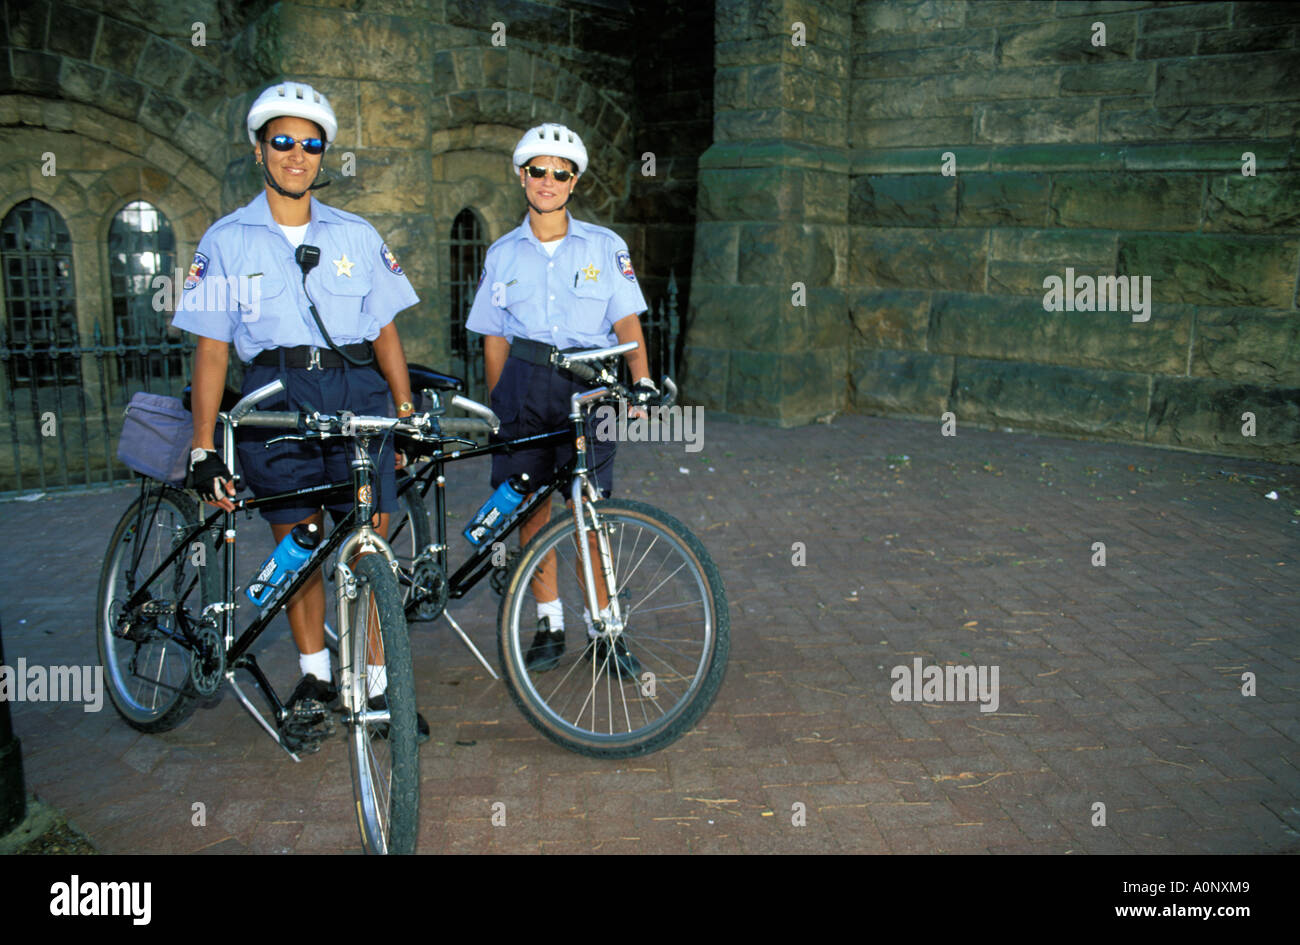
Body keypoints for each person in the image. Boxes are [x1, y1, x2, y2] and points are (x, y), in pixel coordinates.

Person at [173, 81, 427, 747]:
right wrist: (204, 447)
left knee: (369, 535)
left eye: (310, 144)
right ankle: (315, 675)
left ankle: (376, 687)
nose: (297, 154)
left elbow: (385, 332)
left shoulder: (358, 234)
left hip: (356, 393)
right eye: (282, 141)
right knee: (304, 539)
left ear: (322, 157)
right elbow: (212, 349)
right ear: (259, 150)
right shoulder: (227, 240)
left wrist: (403, 413)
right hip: (274, 397)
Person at [466, 122, 658, 678]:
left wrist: (640, 380)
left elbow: (627, 321)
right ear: (521, 177)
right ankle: (548, 622)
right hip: (525, 384)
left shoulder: (604, 246)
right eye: (537, 170)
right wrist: (501, 402)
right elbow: (494, 338)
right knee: (531, 509)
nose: (547, 181)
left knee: (590, 508)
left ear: (573, 182)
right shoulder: (502, 254)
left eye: (560, 172)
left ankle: (607, 628)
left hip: (588, 384)